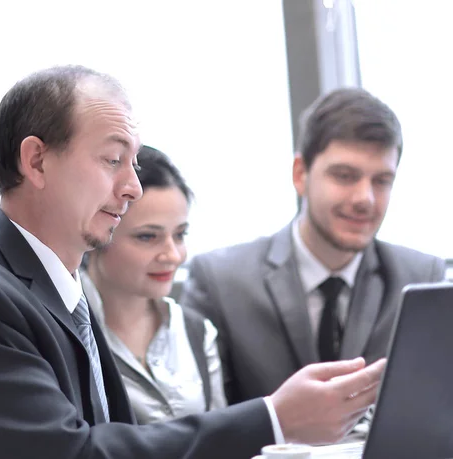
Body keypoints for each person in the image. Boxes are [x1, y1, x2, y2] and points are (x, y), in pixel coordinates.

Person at [0, 66, 386, 459]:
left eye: (134, 162)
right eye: (112, 159)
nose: (133, 186)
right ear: (35, 161)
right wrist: (274, 418)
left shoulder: (61, 286)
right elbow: (70, 455)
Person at [181, 87, 445, 407]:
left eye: (381, 181)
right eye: (345, 176)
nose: (365, 198)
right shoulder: (221, 281)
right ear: (300, 174)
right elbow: (206, 425)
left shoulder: (421, 277)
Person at [82, 145, 227, 424]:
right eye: (148, 237)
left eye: (180, 235)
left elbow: (222, 439)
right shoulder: (64, 331)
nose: (172, 255)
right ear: (98, 233)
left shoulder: (197, 333)